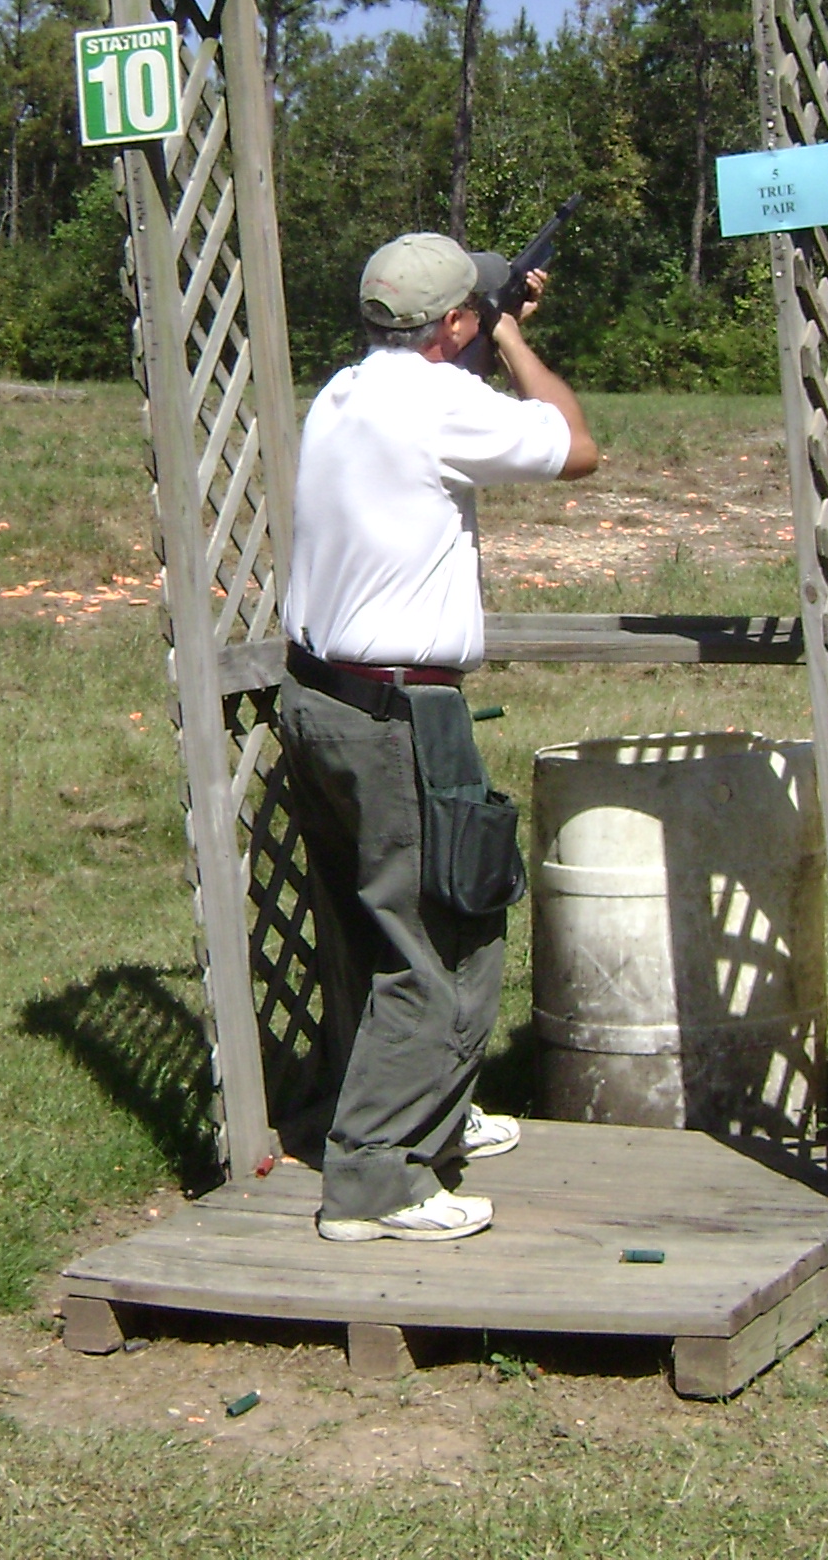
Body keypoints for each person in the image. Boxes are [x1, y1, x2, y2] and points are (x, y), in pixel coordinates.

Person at [272, 230, 598, 1243]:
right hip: (401, 713)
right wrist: (516, 339)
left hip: (319, 699)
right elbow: (576, 446)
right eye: (474, 316)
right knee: (445, 945)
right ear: (455, 323)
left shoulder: (343, 393)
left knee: (371, 932)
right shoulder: (443, 400)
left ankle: (425, 1114)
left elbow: (444, 414)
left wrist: (483, 334)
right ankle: (378, 1182)